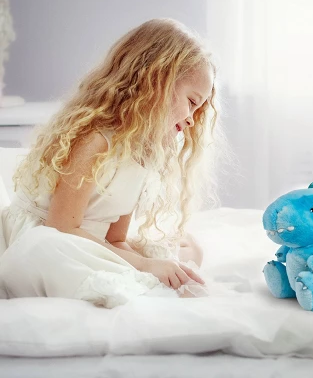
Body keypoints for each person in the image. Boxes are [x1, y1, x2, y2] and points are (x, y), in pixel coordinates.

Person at [0, 18, 225, 308]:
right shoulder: (95, 139)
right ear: (157, 82)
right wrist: (144, 266)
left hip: (89, 245)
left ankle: (136, 276)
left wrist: (145, 263)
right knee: (50, 250)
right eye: (192, 102)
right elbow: (61, 229)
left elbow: (115, 239)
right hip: (46, 241)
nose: (192, 119)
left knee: (188, 248)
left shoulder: (142, 152)